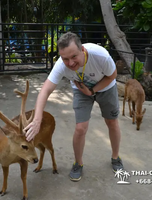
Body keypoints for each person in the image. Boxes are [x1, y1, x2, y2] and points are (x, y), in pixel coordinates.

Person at [24, 32, 124, 182]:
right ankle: (78, 163)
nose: (70, 63)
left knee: (112, 122)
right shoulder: (61, 65)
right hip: (80, 90)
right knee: (80, 128)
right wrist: (37, 120)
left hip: (106, 88)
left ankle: (116, 157)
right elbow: (45, 90)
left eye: (74, 57)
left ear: (82, 50)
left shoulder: (100, 56)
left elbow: (112, 75)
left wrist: (92, 90)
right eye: (65, 59)